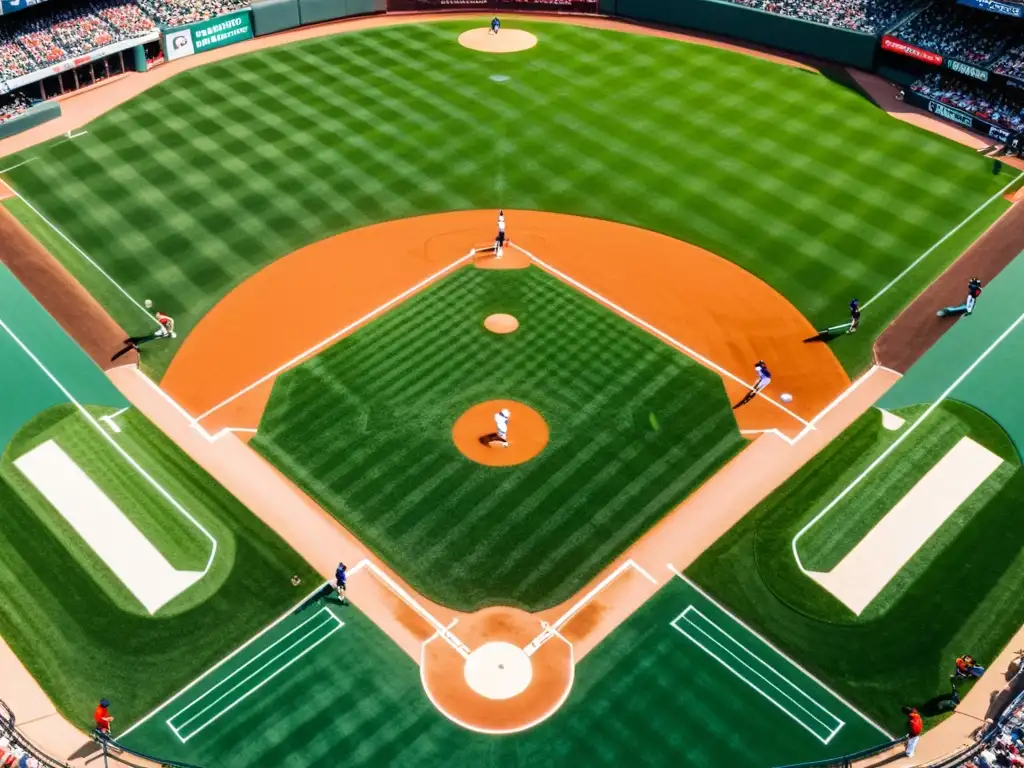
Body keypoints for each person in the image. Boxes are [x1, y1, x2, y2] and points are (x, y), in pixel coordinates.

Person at [111, 311, 177, 361]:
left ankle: (131, 340)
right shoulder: (166, 330)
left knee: (144, 338)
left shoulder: (165, 330)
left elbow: (170, 322)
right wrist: (163, 318)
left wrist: (164, 320)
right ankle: (135, 344)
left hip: (156, 334)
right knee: (145, 339)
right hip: (155, 335)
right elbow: (171, 321)